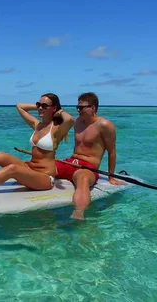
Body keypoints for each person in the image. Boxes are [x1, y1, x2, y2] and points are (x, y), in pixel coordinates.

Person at [54, 92, 126, 220]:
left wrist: (111, 177)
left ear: (93, 108)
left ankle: (79, 212)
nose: (78, 110)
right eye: (77, 107)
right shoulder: (77, 122)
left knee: (83, 179)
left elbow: (112, 152)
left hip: (88, 166)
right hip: (70, 162)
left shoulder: (104, 125)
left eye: (81, 108)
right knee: (43, 166)